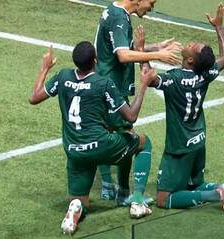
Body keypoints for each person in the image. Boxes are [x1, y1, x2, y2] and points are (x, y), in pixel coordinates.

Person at [29, 41, 155, 235]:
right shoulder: (103, 83)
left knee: (82, 201)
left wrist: (44, 68)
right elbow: (131, 116)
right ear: (95, 60)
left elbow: (34, 97)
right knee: (143, 142)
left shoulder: (63, 76)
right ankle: (136, 200)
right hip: (101, 146)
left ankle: (76, 207)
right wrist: (144, 86)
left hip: (74, 151)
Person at [139, 3, 224, 214]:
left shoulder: (176, 79)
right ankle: (219, 187)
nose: (191, 43)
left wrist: (142, 52)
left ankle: (215, 195)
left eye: (193, 47)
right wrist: (219, 27)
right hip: (198, 140)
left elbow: (149, 78)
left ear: (189, 60)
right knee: (192, 184)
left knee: (164, 199)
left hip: (179, 148)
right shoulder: (205, 74)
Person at [94, 0, 182, 202]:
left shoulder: (114, 11)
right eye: (151, 2)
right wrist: (158, 55)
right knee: (129, 138)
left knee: (107, 132)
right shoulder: (119, 18)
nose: (151, 7)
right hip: (112, 88)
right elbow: (123, 55)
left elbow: (121, 46)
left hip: (103, 83)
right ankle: (123, 193)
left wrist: (154, 46)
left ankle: (108, 185)